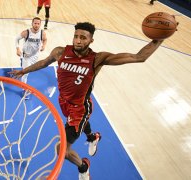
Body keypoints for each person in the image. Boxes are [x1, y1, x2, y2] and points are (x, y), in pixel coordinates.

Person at [10, 22, 171, 179]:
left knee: (62, 150)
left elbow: (138, 57)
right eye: (76, 36)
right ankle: (92, 137)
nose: (78, 41)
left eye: (83, 38)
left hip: (80, 108)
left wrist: (160, 37)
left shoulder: (97, 58)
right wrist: (23, 71)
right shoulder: (60, 52)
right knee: (79, 125)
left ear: (91, 41)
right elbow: (43, 62)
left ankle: (84, 167)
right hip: (64, 102)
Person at [15, 17, 47, 99]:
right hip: (26, 56)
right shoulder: (26, 32)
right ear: (32, 24)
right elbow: (16, 39)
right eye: (35, 23)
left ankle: (22, 62)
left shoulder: (42, 33)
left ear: (40, 24)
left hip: (35, 56)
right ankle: (24, 90)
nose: (36, 25)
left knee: (30, 70)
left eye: (38, 23)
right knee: (25, 73)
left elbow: (45, 40)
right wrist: (18, 49)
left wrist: (44, 45)